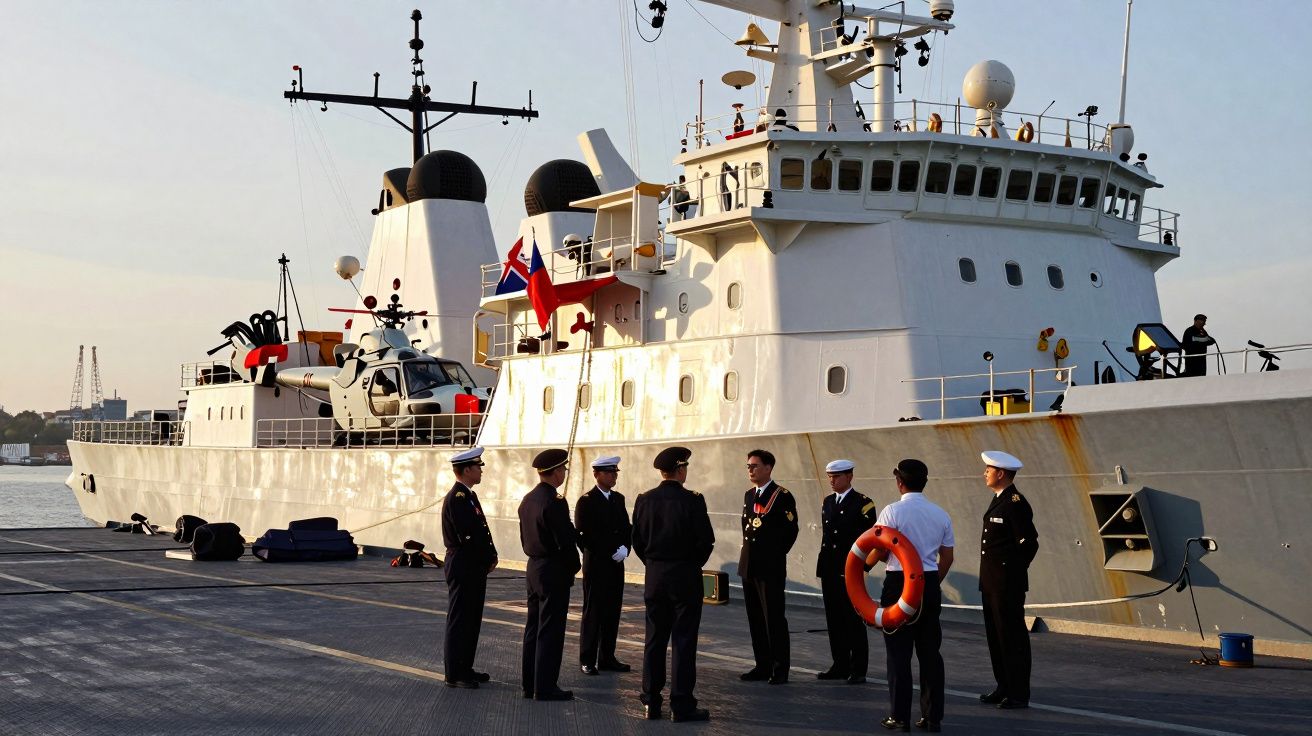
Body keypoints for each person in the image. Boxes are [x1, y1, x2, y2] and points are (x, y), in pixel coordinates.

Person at [631, 446, 715, 723]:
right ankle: (681, 704)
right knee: (683, 640)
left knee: (654, 639)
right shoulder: (693, 500)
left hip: (655, 576)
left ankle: (651, 702)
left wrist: (654, 564)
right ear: (681, 470)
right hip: (685, 576)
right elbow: (706, 541)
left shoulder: (644, 500)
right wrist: (691, 565)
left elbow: (638, 542)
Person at [875, 459, 955, 733]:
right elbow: (947, 556)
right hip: (929, 583)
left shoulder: (891, 512)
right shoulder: (940, 514)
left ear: (899, 482)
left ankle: (899, 716)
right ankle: (932, 718)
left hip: (898, 583)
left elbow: (882, 550)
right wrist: (930, 583)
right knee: (930, 652)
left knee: (898, 653)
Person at [977, 450, 1039, 710]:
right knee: (996, 637)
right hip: (992, 584)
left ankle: (1018, 693)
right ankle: (1003, 685)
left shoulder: (1015, 503)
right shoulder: (998, 500)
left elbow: (1029, 544)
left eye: (989, 470)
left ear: (1001, 473)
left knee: (1011, 639)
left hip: (1006, 585)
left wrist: (1010, 575)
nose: (985, 473)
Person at [519, 448, 581, 701]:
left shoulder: (528, 499)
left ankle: (529, 683)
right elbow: (565, 540)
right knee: (551, 629)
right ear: (556, 472)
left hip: (533, 566)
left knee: (533, 627)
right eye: (563, 469)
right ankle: (545, 687)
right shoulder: (555, 502)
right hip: (553, 569)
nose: (564, 473)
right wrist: (574, 566)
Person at [815, 459, 879, 685]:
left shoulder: (863, 504)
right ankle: (839, 663)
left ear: (850, 476)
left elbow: (868, 540)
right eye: (830, 477)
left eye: (838, 476)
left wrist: (863, 568)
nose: (832, 480)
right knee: (834, 619)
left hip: (850, 570)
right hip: (830, 568)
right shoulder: (828, 502)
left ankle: (858, 668)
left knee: (853, 619)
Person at [738, 449, 799, 685]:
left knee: (773, 618)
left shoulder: (782, 495)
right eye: (748, 466)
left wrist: (773, 556)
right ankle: (762, 665)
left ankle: (779, 668)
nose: (750, 470)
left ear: (768, 468)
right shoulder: (749, 495)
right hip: (749, 565)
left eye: (754, 465)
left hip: (770, 567)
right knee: (755, 618)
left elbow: (790, 531)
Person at [441, 446, 497, 689]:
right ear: (466, 470)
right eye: (477, 467)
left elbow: (481, 532)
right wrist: (485, 558)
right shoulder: (458, 498)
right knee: (460, 619)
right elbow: (468, 536)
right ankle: (454, 672)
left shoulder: (469, 495)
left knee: (472, 619)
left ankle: (465, 666)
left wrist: (490, 555)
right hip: (464, 564)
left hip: (472, 564)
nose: (481, 471)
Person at [575, 455, 633, 675]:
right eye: (609, 473)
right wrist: (610, 551)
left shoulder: (618, 499)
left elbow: (627, 528)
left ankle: (607, 656)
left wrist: (626, 548)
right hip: (597, 564)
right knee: (594, 612)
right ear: (596, 475)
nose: (613, 476)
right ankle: (587, 658)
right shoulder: (587, 501)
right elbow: (584, 535)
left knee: (612, 611)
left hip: (616, 564)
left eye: (615, 472)